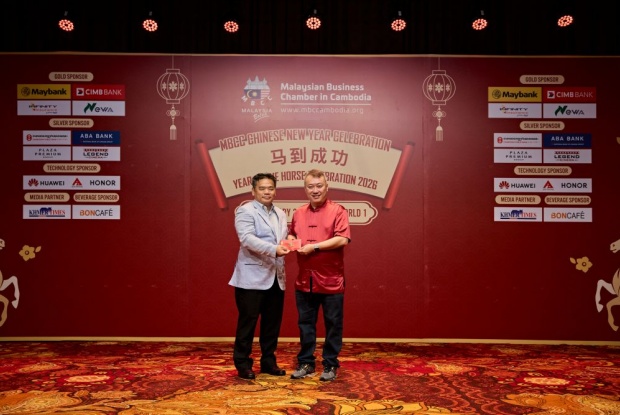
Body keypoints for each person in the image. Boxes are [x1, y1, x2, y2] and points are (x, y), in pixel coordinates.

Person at [288, 169, 351, 382]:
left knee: (333, 325)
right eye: (310, 186)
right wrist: (290, 240)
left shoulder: (338, 210)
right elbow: (292, 233)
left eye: (319, 186)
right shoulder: (298, 212)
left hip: (331, 280)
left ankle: (330, 364)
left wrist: (314, 247)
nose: (315, 190)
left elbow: (342, 239)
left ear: (326, 187)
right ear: (305, 189)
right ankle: (306, 362)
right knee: (305, 324)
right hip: (304, 280)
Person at [229, 172, 291, 380]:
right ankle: (243, 363)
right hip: (251, 278)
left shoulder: (280, 213)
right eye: (262, 188)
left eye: (271, 188)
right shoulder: (245, 210)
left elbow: (282, 239)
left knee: (272, 324)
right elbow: (246, 238)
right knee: (248, 323)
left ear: (275, 190)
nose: (267, 192)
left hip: (276, 277)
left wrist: (290, 242)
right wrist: (274, 249)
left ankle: (268, 362)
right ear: (253, 191)